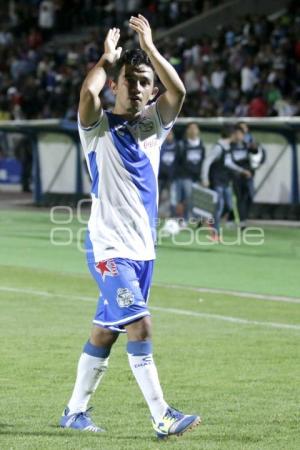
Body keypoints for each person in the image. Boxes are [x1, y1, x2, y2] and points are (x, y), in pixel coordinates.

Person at [59, 15, 200, 439]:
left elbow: (179, 91)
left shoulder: (153, 127)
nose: (138, 87)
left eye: (144, 81)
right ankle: (162, 416)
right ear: (115, 86)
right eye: (130, 80)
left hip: (143, 252)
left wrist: (152, 49)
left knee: (106, 332)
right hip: (109, 250)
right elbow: (86, 92)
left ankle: (74, 411)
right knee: (141, 324)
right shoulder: (97, 130)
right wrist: (106, 58)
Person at [202, 126, 251, 240]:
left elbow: (228, 163)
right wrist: (205, 178)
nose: (238, 136)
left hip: (225, 181)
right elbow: (207, 162)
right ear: (231, 134)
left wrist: (242, 171)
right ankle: (215, 233)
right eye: (236, 134)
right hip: (217, 181)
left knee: (228, 206)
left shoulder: (227, 147)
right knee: (219, 207)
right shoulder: (218, 147)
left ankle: (210, 218)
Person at [230, 122, 266, 227]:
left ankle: (242, 218)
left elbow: (259, 156)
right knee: (239, 198)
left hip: (249, 175)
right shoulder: (231, 145)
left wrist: (255, 167)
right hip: (236, 176)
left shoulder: (250, 144)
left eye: (243, 130)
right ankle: (241, 220)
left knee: (249, 196)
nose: (239, 135)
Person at [171, 123, 206, 223]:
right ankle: (183, 219)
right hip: (184, 176)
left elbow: (202, 161)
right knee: (183, 199)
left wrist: (202, 176)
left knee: (193, 199)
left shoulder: (201, 145)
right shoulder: (182, 144)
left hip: (196, 177)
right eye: (191, 128)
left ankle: (194, 218)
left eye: (195, 128)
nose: (193, 130)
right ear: (187, 131)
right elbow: (177, 161)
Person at [159, 129, 180, 216]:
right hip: (161, 175)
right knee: (157, 194)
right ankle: (155, 212)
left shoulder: (177, 146)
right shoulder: (160, 145)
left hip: (172, 176)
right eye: (167, 134)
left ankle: (173, 214)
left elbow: (179, 161)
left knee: (173, 195)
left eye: (170, 134)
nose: (168, 136)